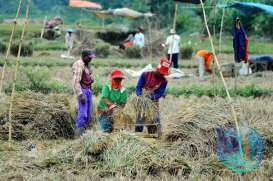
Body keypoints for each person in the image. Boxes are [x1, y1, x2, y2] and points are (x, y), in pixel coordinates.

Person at [135, 58, 171, 134]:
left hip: (153, 102)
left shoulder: (164, 81)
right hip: (142, 101)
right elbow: (138, 87)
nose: (161, 74)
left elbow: (160, 93)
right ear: (157, 69)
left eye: (163, 73)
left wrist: (151, 98)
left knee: (155, 121)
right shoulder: (145, 75)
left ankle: (154, 137)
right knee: (139, 121)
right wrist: (140, 96)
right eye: (160, 72)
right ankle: (137, 136)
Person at [72, 49, 96, 137]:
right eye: (89, 58)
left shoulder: (87, 65)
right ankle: (78, 137)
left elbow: (88, 77)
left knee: (88, 115)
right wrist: (80, 94)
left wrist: (91, 79)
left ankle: (84, 136)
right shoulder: (79, 64)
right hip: (83, 91)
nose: (91, 60)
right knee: (83, 115)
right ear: (84, 57)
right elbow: (76, 81)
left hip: (88, 90)